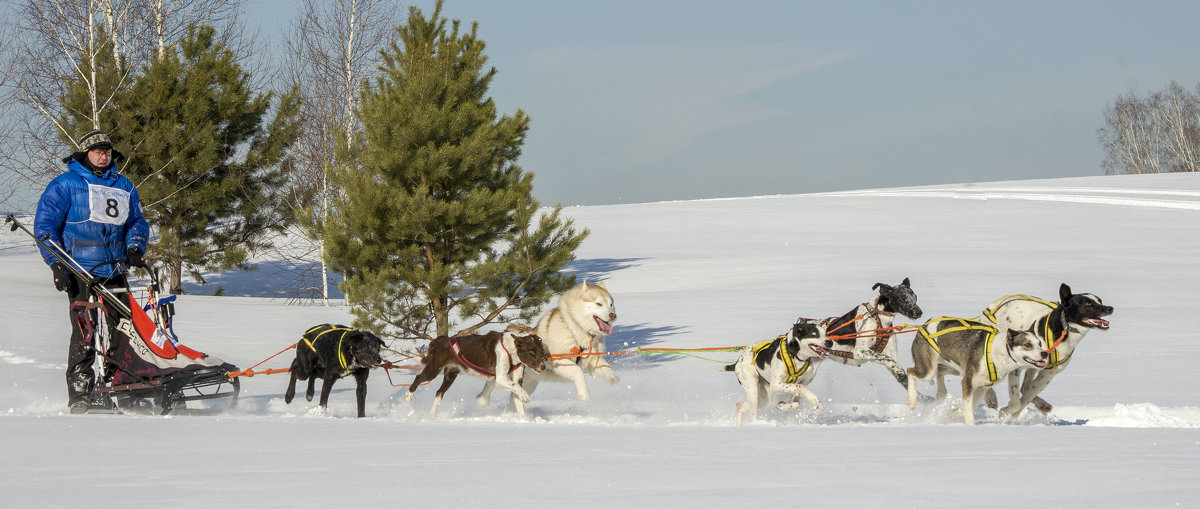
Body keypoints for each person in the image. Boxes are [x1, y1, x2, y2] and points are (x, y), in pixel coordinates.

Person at [34, 129, 149, 413]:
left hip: (115, 268)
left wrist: (134, 246)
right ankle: (80, 391)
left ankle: (122, 384)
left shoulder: (124, 185)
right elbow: (46, 227)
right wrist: (56, 263)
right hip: (79, 268)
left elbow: (137, 221)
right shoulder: (65, 184)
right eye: (97, 152)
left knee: (125, 329)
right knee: (85, 330)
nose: (103, 156)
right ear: (85, 155)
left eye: (107, 151)